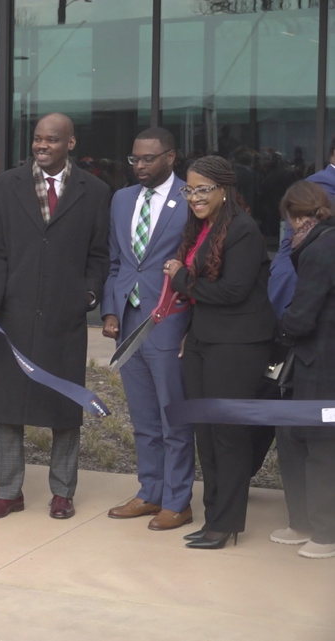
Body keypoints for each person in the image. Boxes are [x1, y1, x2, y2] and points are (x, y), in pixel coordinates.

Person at [0, 113, 110, 521]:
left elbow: (99, 254)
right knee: (6, 406)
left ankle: (63, 493)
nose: (42, 146)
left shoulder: (96, 190)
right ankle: (9, 491)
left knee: (64, 407)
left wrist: (87, 294)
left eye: (51, 140)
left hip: (63, 317)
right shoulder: (3, 187)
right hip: (11, 314)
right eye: (37, 139)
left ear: (70, 144)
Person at [161, 155, 276, 549]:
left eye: (203, 189)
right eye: (189, 189)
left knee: (227, 434)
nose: (195, 197)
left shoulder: (244, 230)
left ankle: (226, 524)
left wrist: (180, 280)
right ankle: (213, 518)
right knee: (205, 434)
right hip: (202, 342)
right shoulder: (202, 229)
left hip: (238, 345)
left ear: (225, 190)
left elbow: (232, 291)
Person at [101, 128, 196, 531]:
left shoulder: (189, 200)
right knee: (143, 417)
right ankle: (149, 492)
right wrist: (109, 310)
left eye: (148, 159)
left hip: (169, 320)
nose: (139, 166)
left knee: (172, 416)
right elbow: (116, 261)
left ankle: (178, 500)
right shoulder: (122, 199)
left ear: (170, 158)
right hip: (128, 321)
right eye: (134, 160)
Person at [272, 180, 335, 560]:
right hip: (316, 358)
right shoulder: (321, 241)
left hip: (321, 360)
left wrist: (281, 327)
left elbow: (304, 312)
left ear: (295, 217)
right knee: (299, 440)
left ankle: (324, 532)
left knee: (319, 446)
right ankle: (306, 522)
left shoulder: (319, 246)